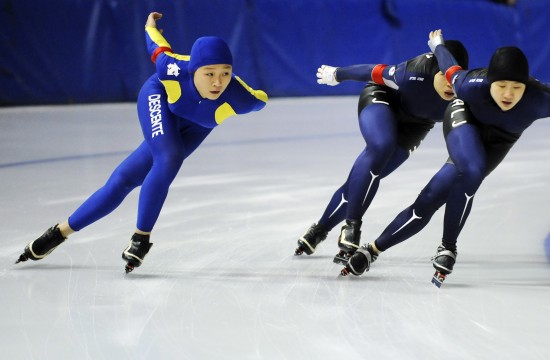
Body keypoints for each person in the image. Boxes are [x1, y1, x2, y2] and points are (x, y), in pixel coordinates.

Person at [15, 12, 268, 273]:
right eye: (209, 73)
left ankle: (58, 233)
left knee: (124, 180)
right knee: (169, 157)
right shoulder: (171, 68)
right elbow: (156, 45)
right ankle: (141, 238)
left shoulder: (241, 97)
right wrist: (150, 25)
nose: (218, 82)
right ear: (193, 69)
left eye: (226, 73)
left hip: (196, 128)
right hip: (159, 99)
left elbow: (261, 99)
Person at [342, 29, 550, 286]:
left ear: (526, 86)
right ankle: (448, 247)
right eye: (501, 86)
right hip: (466, 119)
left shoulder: (541, 99)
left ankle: (371, 250)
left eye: (517, 87)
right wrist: (438, 45)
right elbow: (449, 67)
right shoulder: (469, 85)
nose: (508, 94)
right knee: (472, 169)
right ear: (490, 82)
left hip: (500, 140)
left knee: (430, 200)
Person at [294, 39, 469, 266]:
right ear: (433, 71)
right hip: (383, 99)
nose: (449, 86)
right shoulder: (412, 73)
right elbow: (375, 71)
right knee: (381, 146)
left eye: (453, 79)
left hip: (416, 126)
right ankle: (352, 225)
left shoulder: (464, 89)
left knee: (368, 176)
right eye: (442, 78)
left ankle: (320, 228)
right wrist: (338, 74)